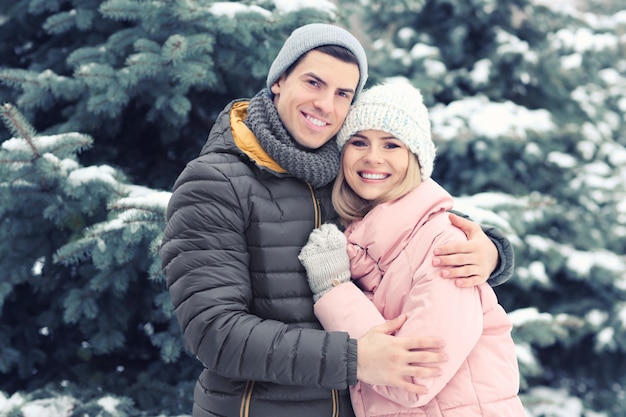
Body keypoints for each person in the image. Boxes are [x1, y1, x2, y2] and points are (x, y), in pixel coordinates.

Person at [159, 23, 514, 417]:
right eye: (314, 83)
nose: (326, 105)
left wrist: (492, 251)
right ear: (279, 81)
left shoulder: (345, 172)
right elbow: (215, 333)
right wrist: (355, 358)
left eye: (342, 93)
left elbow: (417, 223)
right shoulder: (216, 181)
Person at [298, 82, 524, 417]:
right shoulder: (363, 240)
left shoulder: (445, 248)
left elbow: (412, 375)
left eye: (391, 145)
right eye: (359, 142)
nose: (372, 157)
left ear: (415, 158)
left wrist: (334, 290)